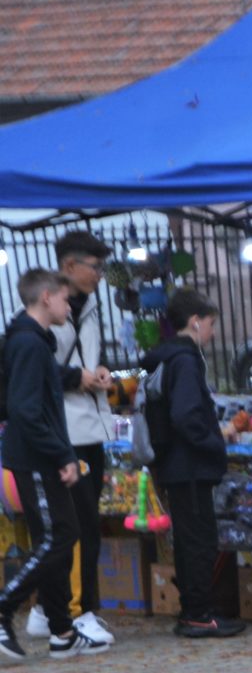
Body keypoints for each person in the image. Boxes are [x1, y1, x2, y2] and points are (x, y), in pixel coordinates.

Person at [143, 288, 248, 638]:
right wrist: (214, 439)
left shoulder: (170, 358)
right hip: (188, 465)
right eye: (211, 323)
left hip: (178, 464)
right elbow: (186, 415)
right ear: (195, 322)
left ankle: (195, 611)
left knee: (191, 539)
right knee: (199, 541)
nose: (214, 332)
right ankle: (198, 614)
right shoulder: (186, 360)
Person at [1, 268, 90, 660]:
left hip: (40, 456)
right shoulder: (29, 344)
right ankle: (4, 606)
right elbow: (25, 410)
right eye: (65, 299)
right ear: (46, 298)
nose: (69, 306)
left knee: (57, 537)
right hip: (35, 458)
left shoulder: (33, 342)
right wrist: (61, 454)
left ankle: (62, 631)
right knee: (58, 537)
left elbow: (39, 389)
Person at [33, 230, 116, 649]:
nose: (100, 275)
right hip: (67, 429)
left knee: (84, 523)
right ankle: (77, 611)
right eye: (95, 267)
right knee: (76, 525)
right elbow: (38, 365)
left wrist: (97, 371)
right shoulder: (50, 308)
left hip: (90, 424)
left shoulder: (91, 306)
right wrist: (77, 378)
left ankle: (49, 607)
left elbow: (86, 355)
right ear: (69, 267)